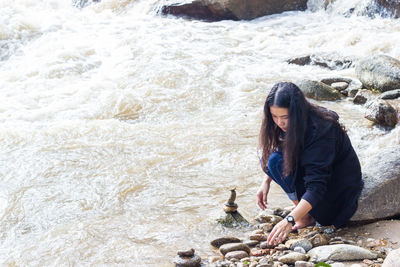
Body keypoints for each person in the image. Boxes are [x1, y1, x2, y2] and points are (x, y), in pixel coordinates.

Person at [257, 82, 363, 246]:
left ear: (297, 112)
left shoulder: (322, 131)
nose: (279, 123)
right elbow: (279, 149)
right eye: (274, 116)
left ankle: (305, 214)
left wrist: (290, 220)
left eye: (285, 117)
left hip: (337, 192)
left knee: (276, 161)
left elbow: (317, 187)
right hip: (319, 179)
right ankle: (303, 210)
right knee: (272, 160)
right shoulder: (290, 124)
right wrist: (266, 181)